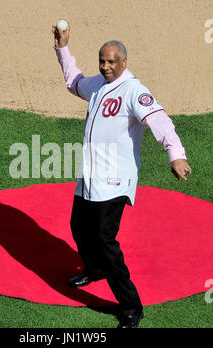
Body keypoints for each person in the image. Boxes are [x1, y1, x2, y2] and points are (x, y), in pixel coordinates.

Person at [52, 21, 192, 329]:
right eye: (102, 61)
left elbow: (159, 121)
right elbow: (74, 82)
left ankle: (131, 307)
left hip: (114, 180)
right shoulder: (98, 86)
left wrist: (176, 154)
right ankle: (94, 269)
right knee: (79, 226)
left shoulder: (134, 91)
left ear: (124, 62)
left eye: (111, 61)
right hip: (89, 177)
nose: (105, 66)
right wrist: (62, 47)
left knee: (104, 239)